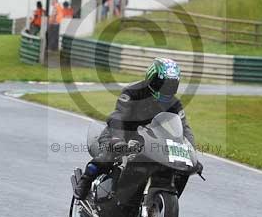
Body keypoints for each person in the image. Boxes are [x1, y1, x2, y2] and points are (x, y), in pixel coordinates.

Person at [73, 57, 197, 200]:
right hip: (120, 132)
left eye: (171, 85)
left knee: (172, 166)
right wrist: (117, 139)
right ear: (151, 78)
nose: (166, 88)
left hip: (147, 138)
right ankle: (86, 179)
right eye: (162, 83)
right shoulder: (132, 91)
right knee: (110, 153)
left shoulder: (174, 103)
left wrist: (191, 152)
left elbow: (184, 128)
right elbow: (119, 116)